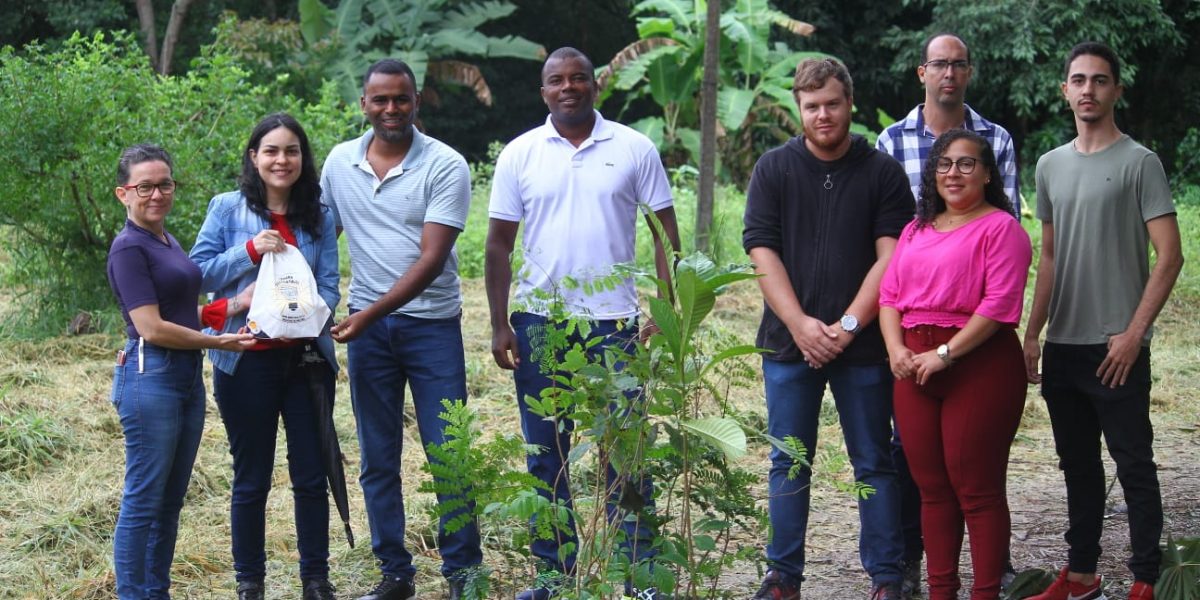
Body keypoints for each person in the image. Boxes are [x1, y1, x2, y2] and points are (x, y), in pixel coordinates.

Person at [484, 46, 681, 599]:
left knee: (626, 455)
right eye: (556, 80)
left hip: (615, 325)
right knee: (546, 454)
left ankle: (638, 574)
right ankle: (554, 574)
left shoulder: (634, 147)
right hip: (540, 323)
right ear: (543, 91)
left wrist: (664, 312)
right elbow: (498, 245)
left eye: (578, 78)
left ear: (596, 85)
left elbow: (666, 235)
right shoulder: (521, 153)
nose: (568, 87)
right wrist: (501, 325)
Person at [743, 57, 912, 600]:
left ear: (849, 103)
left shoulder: (882, 171)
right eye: (811, 106)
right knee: (788, 460)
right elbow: (761, 250)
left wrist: (845, 325)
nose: (823, 115)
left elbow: (893, 256)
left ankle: (887, 577)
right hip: (788, 346)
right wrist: (800, 325)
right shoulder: (773, 168)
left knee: (874, 459)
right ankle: (782, 578)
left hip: (862, 346)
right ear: (798, 107)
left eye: (832, 104)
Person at [1024, 41, 1183, 600]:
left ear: (1116, 89)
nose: (1088, 89)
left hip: (1117, 346)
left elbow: (1170, 256)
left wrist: (1134, 334)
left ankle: (1145, 578)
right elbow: (1050, 256)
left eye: (1099, 80)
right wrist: (1032, 334)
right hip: (1064, 344)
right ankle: (1083, 574)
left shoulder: (1140, 162)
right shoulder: (1049, 165)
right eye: (1078, 80)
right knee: (1078, 468)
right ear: (1065, 90)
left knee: (1134, 463)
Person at [319, 58, 482, 600]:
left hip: (431, 327)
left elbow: (432, 260)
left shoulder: (446, 164)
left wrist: (366, 314)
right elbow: (320, 238)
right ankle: (395, 573)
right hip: (369, 334)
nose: (391, 109)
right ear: (363, 103)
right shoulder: (340, 162)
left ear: (417, 101)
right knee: (376, 457)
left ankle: (461, 573)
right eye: (380, 100)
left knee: (449, 453)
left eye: (402, 99)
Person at [876, 33, 1023, 594]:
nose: (955, 173)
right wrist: (896, 351)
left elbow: (1000, 306)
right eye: (945, 164)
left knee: (977, 491)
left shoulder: (1002, 229)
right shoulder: (915, 230)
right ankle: (940, 590)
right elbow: (891, 296)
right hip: (912, 364)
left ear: (987, 172)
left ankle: (985, 591)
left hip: (975, 362)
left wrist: (943, 354)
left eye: (968, 164)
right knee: (932, 490)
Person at [189, 113, 341, 600]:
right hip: (245, 359)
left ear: (303, 158)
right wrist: (249, 251)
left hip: (306, 363)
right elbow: (196, 277)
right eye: (271, 151)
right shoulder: (226, 209)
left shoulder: (319, 214)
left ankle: (315, 579)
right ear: (254, 158)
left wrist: (303, 311)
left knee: (311, 475)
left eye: (291, 151)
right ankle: (250, 582)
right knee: (251, 477)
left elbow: (332, 285)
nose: (282, 160)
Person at [106, 144, 255, 599]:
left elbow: (178, 311)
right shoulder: (129, 247)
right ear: (123, 193)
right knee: (143, 500)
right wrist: (219, 340)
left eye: (164, 184)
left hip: (184, 377)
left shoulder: (165, 240)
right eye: (144, 186)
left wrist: (231, 307)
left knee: (169, 502)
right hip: (152, 377)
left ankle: (156, 592)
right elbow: (151, 327)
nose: (156, 194)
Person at [877, 33, 1020, 215]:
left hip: (981, 243)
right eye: (939, 64)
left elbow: (1008, 218)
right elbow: (884, 222)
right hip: (911, 243)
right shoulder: (892, 142)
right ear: (922, 73)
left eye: (959, 65)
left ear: (969, 73)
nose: (950, 74)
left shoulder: (997, 140)